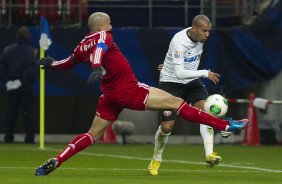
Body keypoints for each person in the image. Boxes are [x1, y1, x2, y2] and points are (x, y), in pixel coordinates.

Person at [34, 12, 248, 176]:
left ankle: (59, 159)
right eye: (109, 24)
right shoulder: (103, 36)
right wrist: (97, 66)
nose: (111, 27)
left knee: (92, 135)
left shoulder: (81, 45)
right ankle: (226, 126)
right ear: (100, 26)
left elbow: (68, 62)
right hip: (130, 91)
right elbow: (100, 46)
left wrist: (52, 64)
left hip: (109, 96)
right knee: (178, 104)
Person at [147, 15, 230, 176]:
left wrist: (169, 63)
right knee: (166, 127)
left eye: (209, 31)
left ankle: (209, 154)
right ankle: (156, 159)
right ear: (194, 29)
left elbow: (184, 63)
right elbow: (178, 72)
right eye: (204, 31)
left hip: (191, 81)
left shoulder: (200, 39)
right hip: (171, 82)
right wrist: (205, 73)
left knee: (204, 112)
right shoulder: (179, 41)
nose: (207, 34)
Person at [0, 26, 38, 143]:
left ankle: (8, 137)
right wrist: (21, 81)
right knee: (27, 112)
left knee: (11, 112)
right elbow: (32, 70)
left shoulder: (7, 50)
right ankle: (30, 138)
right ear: (28, 37)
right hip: (25, 86)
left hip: (11, 85)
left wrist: (8, 81)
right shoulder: (33, 51)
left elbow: (2, 68)